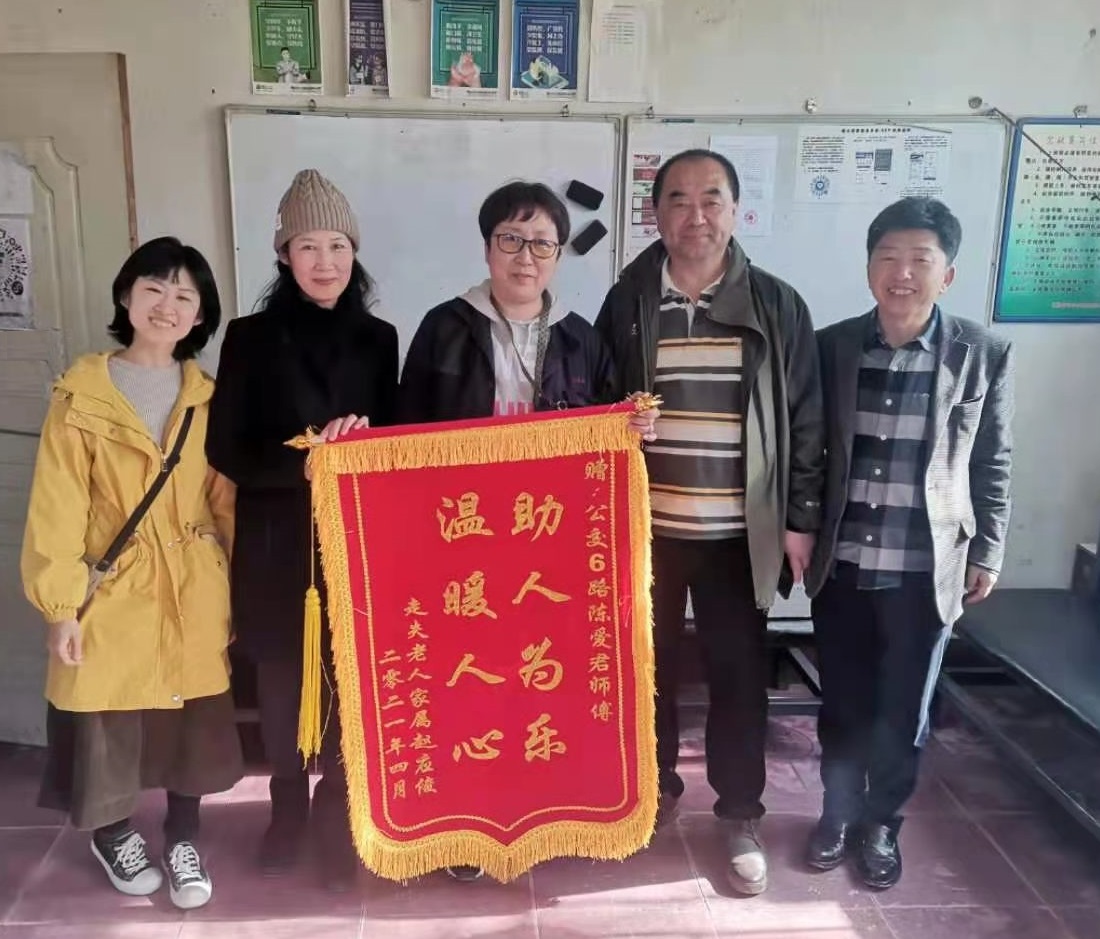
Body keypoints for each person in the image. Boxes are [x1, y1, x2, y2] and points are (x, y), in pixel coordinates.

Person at [326, 180, 656, 882]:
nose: (525, 257)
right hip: (464, 547)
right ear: (487, 247)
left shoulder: (581, 337)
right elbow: (406, 435)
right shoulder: (446, 326)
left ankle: (545, 807)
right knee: (469, 683)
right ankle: (468, 820)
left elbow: (606, 429)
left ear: (558, 255)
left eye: (541, 244)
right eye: (511, 239)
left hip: (548, 550)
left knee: (543, 679)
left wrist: (635, 424)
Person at [595, 149, 825, 896]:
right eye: (678, 199)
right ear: (654, 212)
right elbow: (595, 400)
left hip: (738, 534)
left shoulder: (776, 303)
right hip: (645, 533)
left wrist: (798, 519)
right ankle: (652, 792)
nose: (695, 215)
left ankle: (739, 813)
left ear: (735, 208)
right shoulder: (628, 299)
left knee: (738, 677)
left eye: (711, 199)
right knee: (644, 671)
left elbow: (806, 418)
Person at [22, 237, 241, 911]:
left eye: (185, 295)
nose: (167, 305)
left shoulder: (209, 397)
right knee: (104, 712)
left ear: (200, 314)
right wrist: (61, 605)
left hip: (192, 579)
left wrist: (234, 587)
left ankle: (183, 835)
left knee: (189, 711)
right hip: (109, 582)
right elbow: (57, 504)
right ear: (126, 296)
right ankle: (112, 834)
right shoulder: (81, 395)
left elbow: (225, 500)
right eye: (154, 288)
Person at [804, 197, 1014, 890]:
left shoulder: (983, 353)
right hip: (843, 563)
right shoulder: (831, 346)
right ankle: (837, 814)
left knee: (904, 711)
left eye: (920, 260)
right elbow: (807, 451)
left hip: (927, 570)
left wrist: (989, 549)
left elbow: (993, 460)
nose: (902, 273)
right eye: (888, 257)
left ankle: (880, 825)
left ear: (946, 275)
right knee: (842, 704)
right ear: (868, 266)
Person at [206, 169, 399, 891]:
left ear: (355, 253)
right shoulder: (249, 338)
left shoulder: (380, 338)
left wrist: (363, 444)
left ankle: (341, 807)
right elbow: (225, 447)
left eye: (338, 246)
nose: (325, 261)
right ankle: (286, 807)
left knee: (353, 676)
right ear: (284, 255)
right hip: (277, 541)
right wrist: (309, 457)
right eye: (309, 246)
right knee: (283, 680)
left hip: (358, 541)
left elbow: (399, 441)